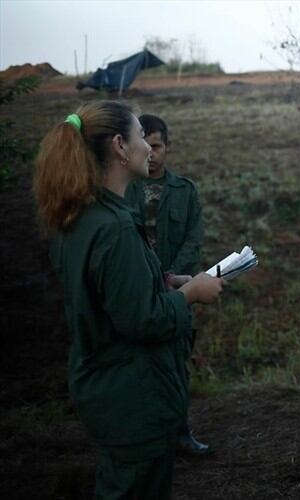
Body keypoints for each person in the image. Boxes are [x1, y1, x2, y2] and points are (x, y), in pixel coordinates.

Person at [32, 100, 224, 499]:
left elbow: (110, 296)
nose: (147, 149)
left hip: (105, 389)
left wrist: (161, 280)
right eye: (140, 137)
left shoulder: (79, 215)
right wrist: (191, 292)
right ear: (120, 146)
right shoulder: (115, 227)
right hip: (133, 396)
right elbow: (144, 321)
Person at [124, 114, 208, 455]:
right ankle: (146, 436)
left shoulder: (184, 191)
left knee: (176, 365)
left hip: (176, 291)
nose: (152, 153)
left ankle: (181, 432)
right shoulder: (124, 190)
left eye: (157, 146)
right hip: (138, 292)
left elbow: (194, 238)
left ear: (166, 148)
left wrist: (172, 276)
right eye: (148, 145)